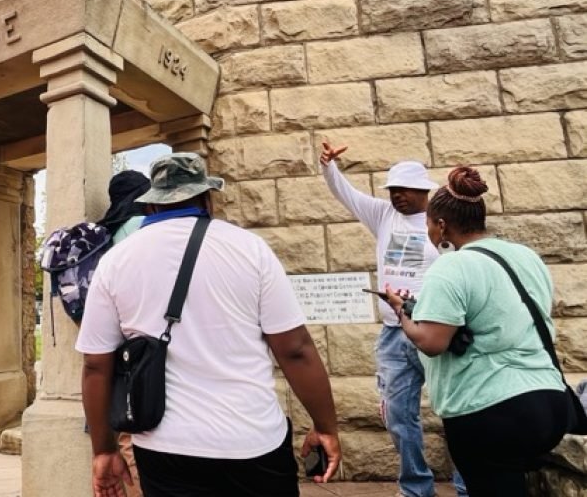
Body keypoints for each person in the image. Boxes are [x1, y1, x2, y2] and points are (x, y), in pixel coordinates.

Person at [77, 152, 341, 497]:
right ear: (206, 196)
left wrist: (105, 450)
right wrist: (325, 427)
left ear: (153, 203)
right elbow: (295, 349)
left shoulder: (115, 261)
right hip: (253, 439)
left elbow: (96, 366)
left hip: (165, 446)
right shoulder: (250, 249)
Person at [385, 166, 569, 497]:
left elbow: (431, 342)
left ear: (441, 225)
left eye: (429, 222)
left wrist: (402, 311)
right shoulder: (526, 256)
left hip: (489, 409)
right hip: (550, 401)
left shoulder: (451, 265)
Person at [319, 142, 466, 497]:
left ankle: (466, 485)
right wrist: (328, 166)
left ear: (423, 191)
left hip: (437, 329)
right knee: (398, 416)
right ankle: (416, 488)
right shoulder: (383, 215)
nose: (397, 195)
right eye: (392, 189)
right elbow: (346, 194)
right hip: (393, 333)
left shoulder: (442, 222)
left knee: (458, 412)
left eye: (404, 189)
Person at [95, 169, 151, 497]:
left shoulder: (109, 232)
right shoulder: (143, 228)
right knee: (138, 431)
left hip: (115, 345)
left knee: (126, 424)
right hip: (144, 344)